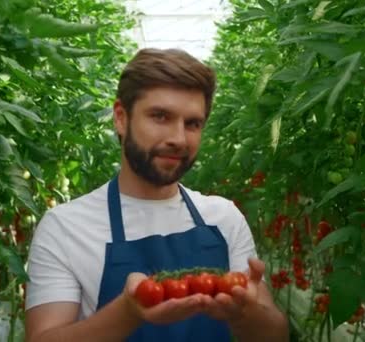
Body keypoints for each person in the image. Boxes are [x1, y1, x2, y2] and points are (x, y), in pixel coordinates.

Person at [24, 48, 289, 341]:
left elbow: (274, 335)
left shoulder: (224, 218)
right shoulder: (66, 227)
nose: (178, 138)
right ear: (121, 118)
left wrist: (246, 313)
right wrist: (127, 312)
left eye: (192, 123)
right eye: (160, 116)